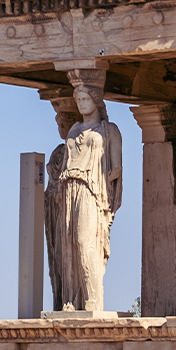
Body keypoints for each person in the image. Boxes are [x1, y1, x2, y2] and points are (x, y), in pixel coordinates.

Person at [49, 81, 122, 311]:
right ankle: (71, 300)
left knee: (84, 240)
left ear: (96, 100)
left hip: (93, 190)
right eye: (78, 100)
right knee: (68, 244)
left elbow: (116, 167)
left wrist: (107, 187)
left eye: (85, 99)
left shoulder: (109, 130)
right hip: (70, 189)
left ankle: (93, 299)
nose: (81, 104)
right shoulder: (73, 131)